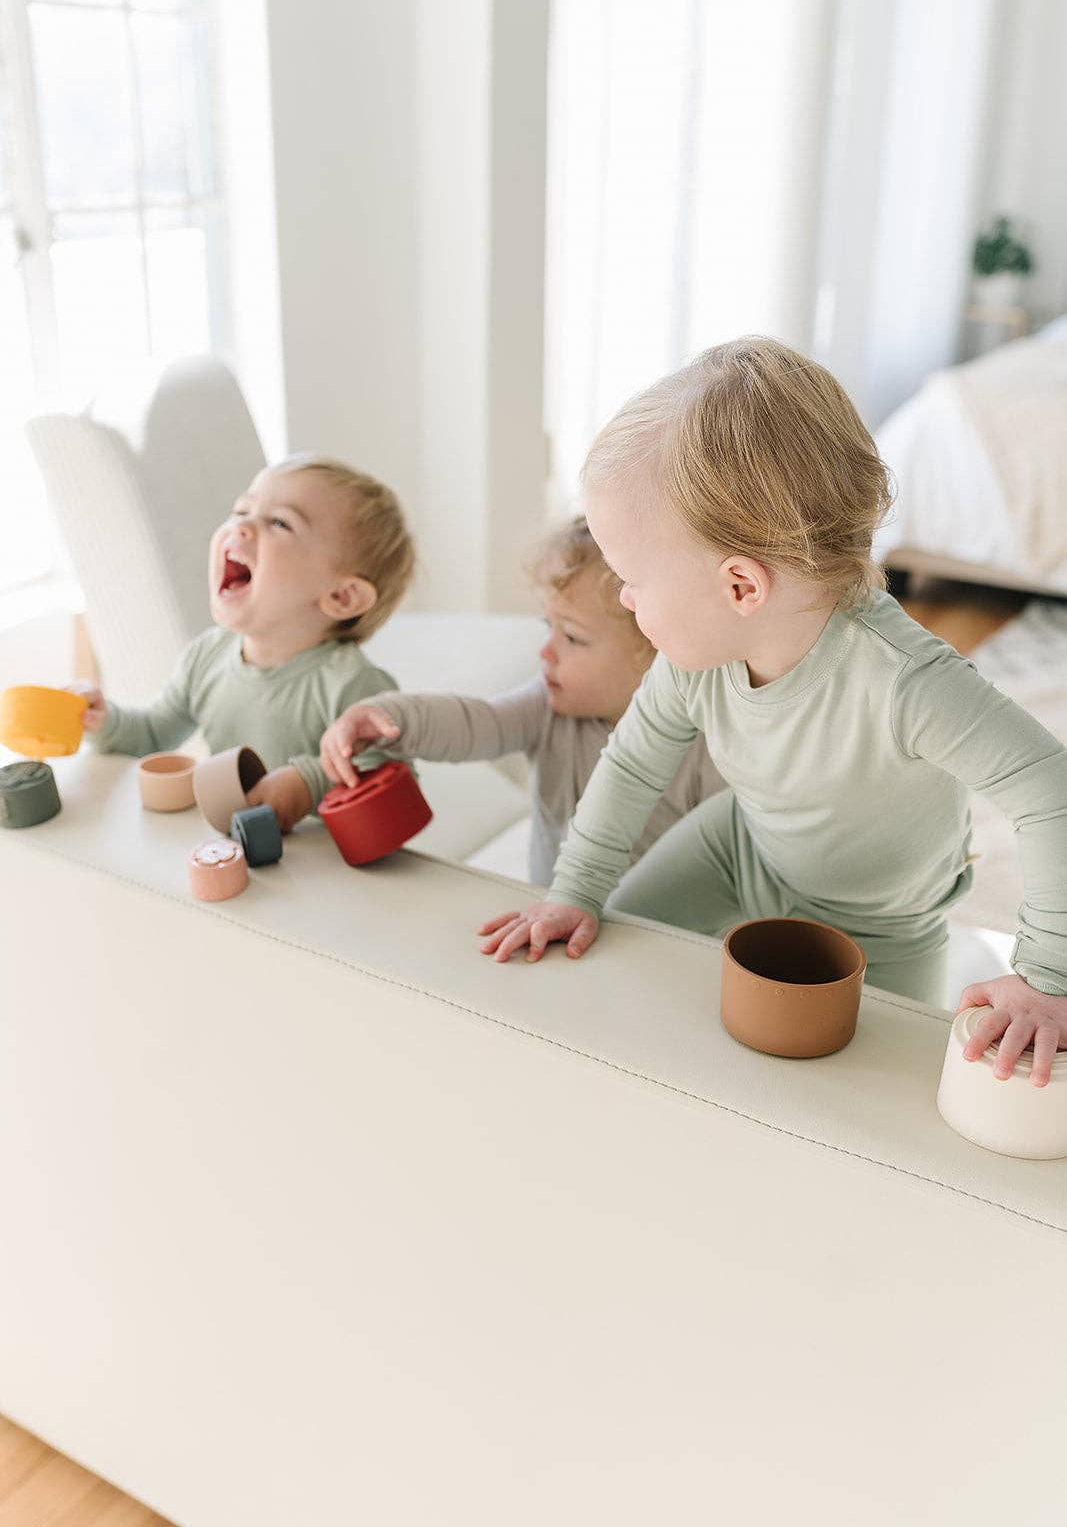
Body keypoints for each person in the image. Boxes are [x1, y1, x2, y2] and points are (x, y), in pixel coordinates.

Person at [477, 338, 1067, 1088]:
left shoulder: (906, 683)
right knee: (612, 959)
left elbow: (1050, 793)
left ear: (739, 587)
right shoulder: (696, 658)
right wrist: (573, 892)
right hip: (739, 851)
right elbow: (631, 764)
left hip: (885, 919)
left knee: (872, 1089)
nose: (624, 600)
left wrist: (1048, 978)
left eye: (632, 580)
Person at [319, 518, 723, 884]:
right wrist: (389, 716)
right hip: (553, 922)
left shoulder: (706, 745)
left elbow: (722, 864)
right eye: (549, 627)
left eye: (572, 638)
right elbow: (478, 723)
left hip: (660, 938)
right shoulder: (548, 706)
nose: (545, 652)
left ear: (654, 653)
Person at [70, 456, 415, 831]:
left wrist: (310, 782)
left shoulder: (353, 686)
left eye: (280, 522)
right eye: (241, 510)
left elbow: (396, 782)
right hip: (238, 855)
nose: (242, 526)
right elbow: (153, 735)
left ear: (341, 598)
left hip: (323, 867)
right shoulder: (206, 657)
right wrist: (104, 722)